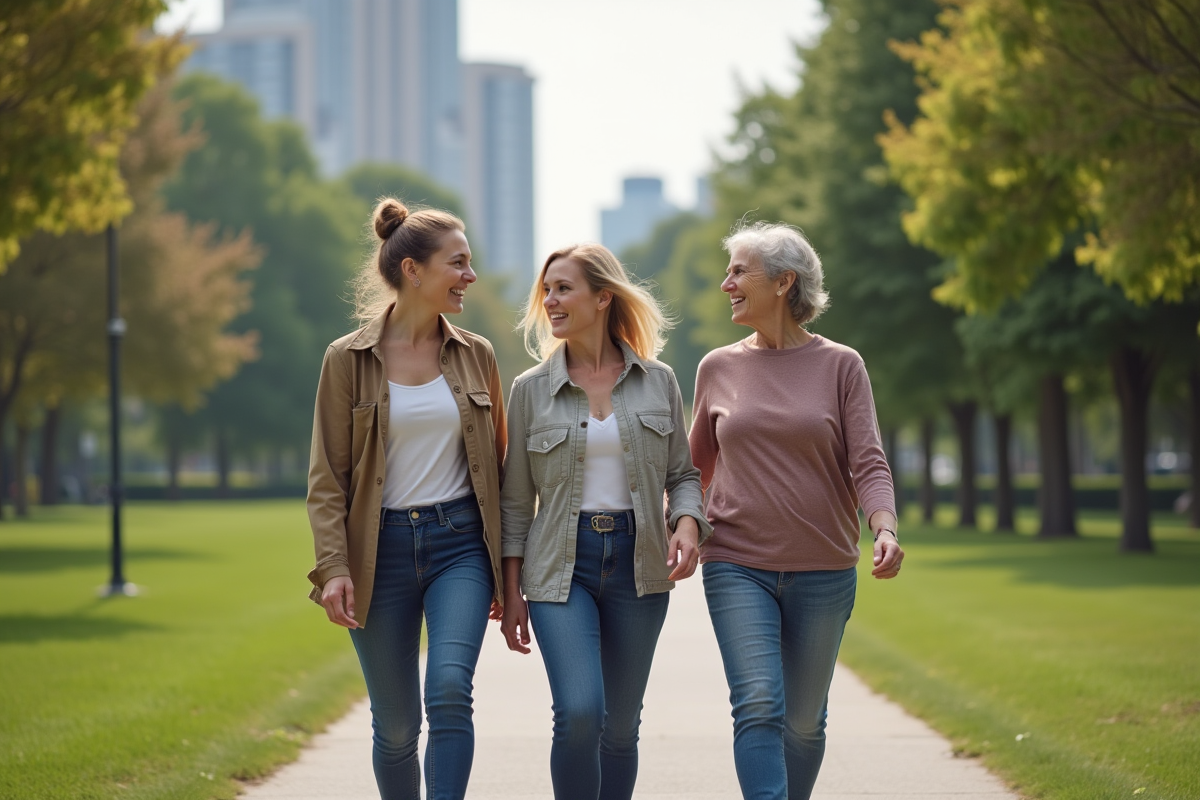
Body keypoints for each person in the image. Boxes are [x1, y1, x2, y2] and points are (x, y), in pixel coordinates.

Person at [689, 221, 904, 800]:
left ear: (784, 283)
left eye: (739, 272)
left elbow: (869, 461)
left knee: (804, 721)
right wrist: (680, 524)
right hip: (736, 562)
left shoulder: (842, 365)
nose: (725, 283)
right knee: (758, 703)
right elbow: (693, 469)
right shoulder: (717, 368)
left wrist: (883, 527)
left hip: (825, 569)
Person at [306, 198, 507, 800]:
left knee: (449, 690)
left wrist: (510, 566)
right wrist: (334, 567)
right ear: (413, 270)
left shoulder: (478, 354)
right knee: (395, 728)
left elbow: (499, 467)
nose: (470, 276)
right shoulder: (346, 359)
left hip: (459, 547)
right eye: (458, 263)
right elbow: (327, 478)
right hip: (379, 553)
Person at [499, 243, 711, 800]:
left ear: (603, 297)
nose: (550, 301)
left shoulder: (658, 380)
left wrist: (686, 525)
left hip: (639, 568)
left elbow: (684, 475)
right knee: (578, 712)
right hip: (558, 569)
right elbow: (516, 502)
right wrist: (512, 589)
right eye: (546, 290)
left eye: (563, 288)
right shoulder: (529, 390)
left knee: (620, 727)